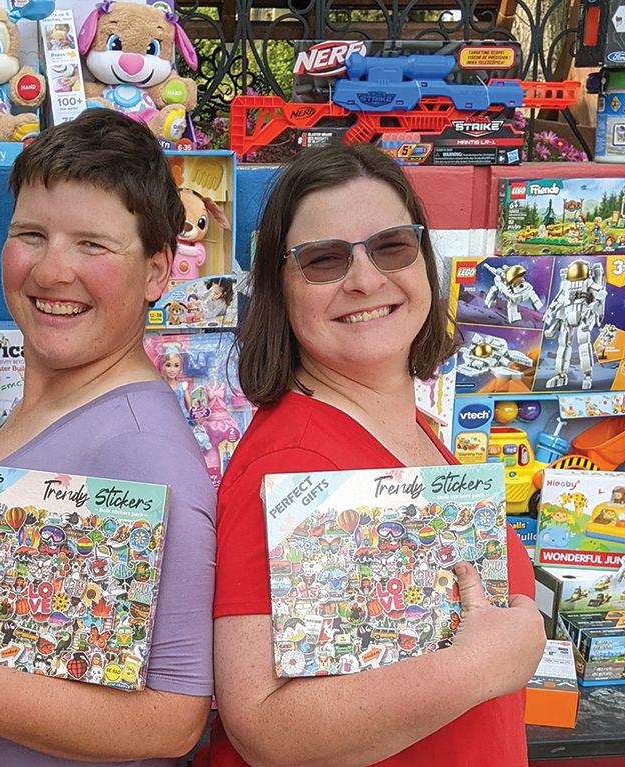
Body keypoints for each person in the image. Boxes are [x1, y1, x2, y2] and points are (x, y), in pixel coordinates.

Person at [0, 109, 216, 766]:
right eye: (32, 234)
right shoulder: (49, 402)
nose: (51, 270)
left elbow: (174, 718)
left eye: (93, 244)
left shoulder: (137, 451)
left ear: (156, 271)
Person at [195, 143, 546, 767]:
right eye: (324, 260)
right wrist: (481, 665)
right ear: (279, 288)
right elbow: (264, 727)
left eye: (391, 247)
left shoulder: (404, 427)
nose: (365, 279)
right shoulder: (294, 463)